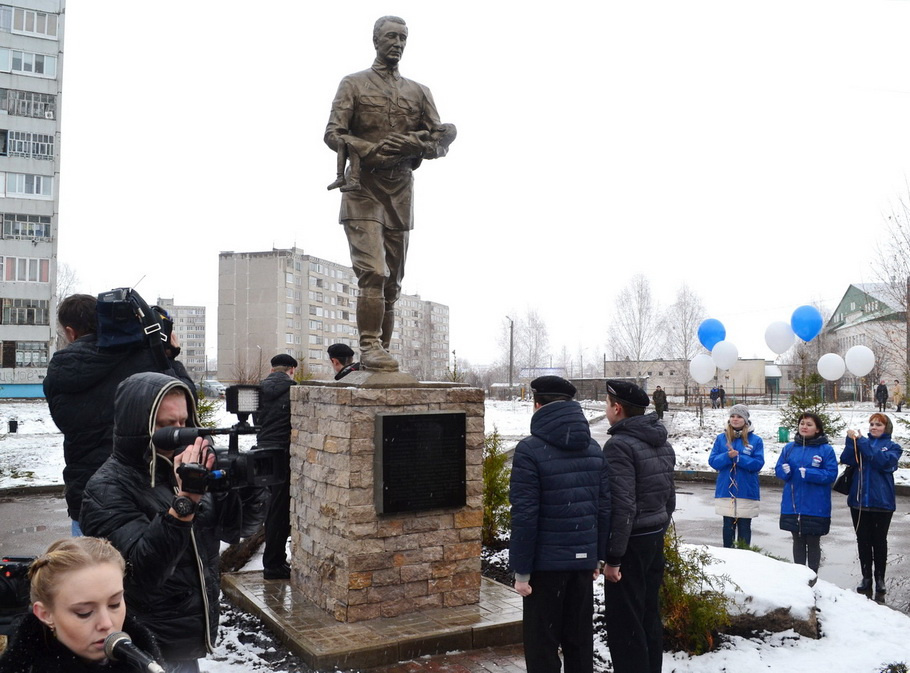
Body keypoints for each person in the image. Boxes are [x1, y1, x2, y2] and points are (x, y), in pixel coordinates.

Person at [325, 15, 456, 372]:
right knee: (374, 272)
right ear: (376, 40)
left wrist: (414, 142)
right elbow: (333, 133)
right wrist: (365, 148)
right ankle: (369, 345)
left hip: (400, 191)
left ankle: (380, 350)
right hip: (362, 188)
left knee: (393, 283)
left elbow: (439, 141)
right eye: (391, 37)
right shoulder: (353, 84)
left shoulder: (419, 92)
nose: (397, 43)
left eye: (403, 37)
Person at [80, 372, 221, 673]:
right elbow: (141, 576)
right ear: (138, 425)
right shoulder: (106, 489)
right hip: (143, 646)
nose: (179, 434)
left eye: (184, 423)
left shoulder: (183, 470)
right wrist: (185, 502)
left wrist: (247, 486)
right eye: (166, 425)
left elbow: (237, 531)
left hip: (186, 639)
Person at [43, 294, 193, 536]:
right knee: (147, 563)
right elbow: (185, 402)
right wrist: (170, 359)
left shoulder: (60, 370)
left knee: (89, 567)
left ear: (70, 333)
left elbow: (66, 421)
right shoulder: (144, 357)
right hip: (145, 489)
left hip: (86, 491)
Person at [508, 376, 610, 673]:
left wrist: (522, 572)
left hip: (544, 569)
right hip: (581, 566)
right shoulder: (593, 448)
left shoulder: (529, 451)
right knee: (579, 643)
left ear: (537, 405)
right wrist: (597, 557)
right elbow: (604, 508)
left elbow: (525, 515)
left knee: (542, 648)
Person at [0, 537, 163, 673]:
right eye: (84, 612)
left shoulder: (145, 657)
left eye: (114, 604)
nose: (106, 624)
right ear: (45, 614)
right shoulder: (25, 665)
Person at [602, 380, 675, 673]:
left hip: (631, 543)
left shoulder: (618, 445)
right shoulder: (661, 441)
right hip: (653, 536)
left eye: (607, 404)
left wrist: (614, 557)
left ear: (617, 408)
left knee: (625, 623)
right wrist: (659, 529)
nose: (606, 410)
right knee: (648, 615)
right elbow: (668, 497)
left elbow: (622, 506)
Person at [842, 414, 902, 597]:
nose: (873, 427)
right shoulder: (861, 443)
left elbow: (882, 462)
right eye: (871, 424)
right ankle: (866, 576)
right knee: (863, 541)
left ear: (886, 428)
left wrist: (862, 443)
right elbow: (847, 459)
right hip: (859, 502)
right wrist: (849, 441)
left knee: (879, 541)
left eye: (878, 424)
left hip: (882, 503)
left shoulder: (893, 447)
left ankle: (880, 578)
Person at [775, 412, 837, 576]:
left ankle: (813, 576)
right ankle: (799, 576)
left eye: (809, 424)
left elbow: (831, 474)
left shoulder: (826, 450)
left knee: (813, 540)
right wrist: (784, 471)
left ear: (817, 429)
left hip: (815, 505)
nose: (804, 426)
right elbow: (779, 470)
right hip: (792, 504)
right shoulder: (789, 448)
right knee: (797, 540)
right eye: (802, 423)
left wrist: (810, 473)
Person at [255, 354, 298, 580]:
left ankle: (273, 561)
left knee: (271, 507)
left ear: (272, 370)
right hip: (283, 453)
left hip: (263, 452)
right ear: (291, 370)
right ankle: (273, 564)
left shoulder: (258, 390)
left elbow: (256, 421)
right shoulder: (294, 390)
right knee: (279, 512)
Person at [708, 404, 764, 548]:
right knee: (728, 526)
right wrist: (727, 456)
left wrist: (739, 459)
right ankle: (728, 556)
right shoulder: (721, 439)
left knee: (744, 527)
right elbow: (713, 461)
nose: (735, 419)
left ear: (745, 420)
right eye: (732, 416)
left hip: (746, 490)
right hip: (726, 489)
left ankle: (744, 557)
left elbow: (758, 464)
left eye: (739, 416)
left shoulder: (756, 440)